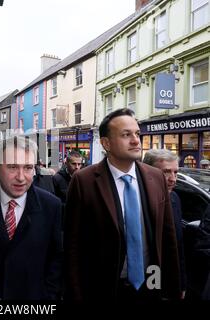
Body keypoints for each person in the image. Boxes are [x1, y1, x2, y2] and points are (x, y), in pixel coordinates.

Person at [64, 108, 181, 301]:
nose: (136, 140)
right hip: (104, 288)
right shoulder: (83, 181)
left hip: (151, 281)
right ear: (106, 143)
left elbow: (168, 238)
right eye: (126, 135)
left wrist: (173, 290)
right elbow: (73, 245)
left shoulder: (156, 176)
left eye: (137, 133)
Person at [0, 136, 63, 299]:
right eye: (12, 167)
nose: (21, 177)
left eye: (28, 168)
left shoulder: (51, 205)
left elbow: (55, 259)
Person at [143, 148, 187, 298]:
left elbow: (177, 245)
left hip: (167, 279)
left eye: (175, 172)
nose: (173, 179)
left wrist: (181, 283)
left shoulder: (174, 199)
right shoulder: (135, 201)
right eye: (166, 172)